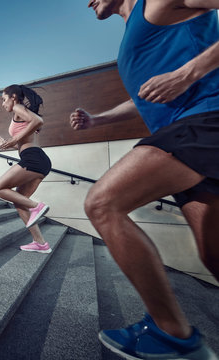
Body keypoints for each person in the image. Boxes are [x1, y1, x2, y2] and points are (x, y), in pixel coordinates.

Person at [70, 0, 219, 358]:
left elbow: (176, 79)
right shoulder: (133, 31)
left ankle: (173, 336)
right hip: (191, 140)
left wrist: (188, 73)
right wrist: (99, 120)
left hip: (204, 122)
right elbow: (146, 96)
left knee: (103, 202)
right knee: (214, 255)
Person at [0, 84, 52, 253]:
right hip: (37, 159)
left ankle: (37, 206)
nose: (3, 104)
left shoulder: (18, 108)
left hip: (33, 159)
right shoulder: (22, 114)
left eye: (4, 99)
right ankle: (40, 243)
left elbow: (39, 121)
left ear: (13, 98)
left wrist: (14, 139)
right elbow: (24, 142)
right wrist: (8, 143)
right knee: (19, 201)